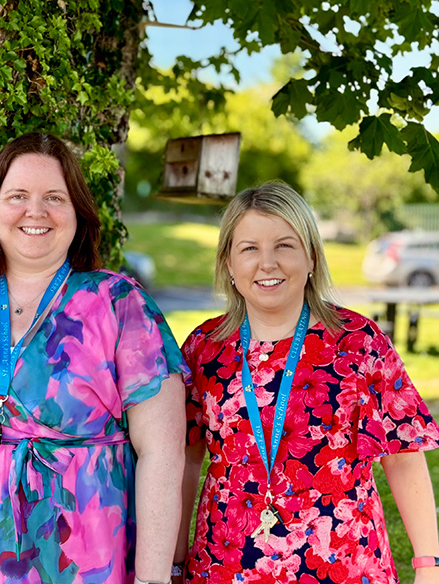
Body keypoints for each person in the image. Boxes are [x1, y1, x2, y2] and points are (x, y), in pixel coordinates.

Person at [0, 132, 188, 584]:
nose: (35, 211)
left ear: (78, 212)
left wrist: (152, 580)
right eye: (17, 196)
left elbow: (162, 452)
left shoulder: (119, 304)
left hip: (86, 561)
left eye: (54, 197)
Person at [175, 181, 439, 584]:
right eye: (249, 248)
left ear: (311, 255)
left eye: (284, 245)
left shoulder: (358, 343)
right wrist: (175, 562)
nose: (267, 263)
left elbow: (403, 456)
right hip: (227, 566)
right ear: (228, 262)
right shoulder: (204, 349)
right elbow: (185, 461)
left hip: (344, 564)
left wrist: (429, 567)